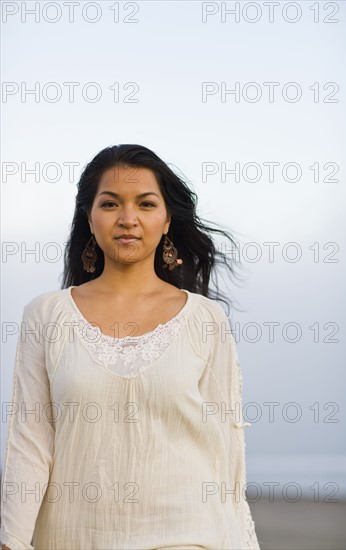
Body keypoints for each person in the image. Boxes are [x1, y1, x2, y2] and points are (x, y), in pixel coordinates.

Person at [0, 144, 261, 549]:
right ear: (88, 217)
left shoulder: (205, 320)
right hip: (74, 538)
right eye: (110, 204)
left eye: (145, 203)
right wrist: (11, 541)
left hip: (190, 535)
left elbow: (225, 451)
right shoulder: (46, 316)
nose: (128, 219)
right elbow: (30, 443)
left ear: (167, 218)